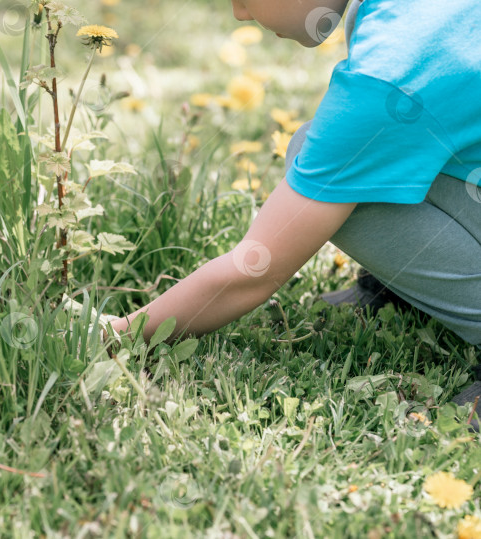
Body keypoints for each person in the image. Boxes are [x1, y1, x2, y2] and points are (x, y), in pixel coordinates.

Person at [104, 0, 481, 411]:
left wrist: (117, 333)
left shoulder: (390, 70)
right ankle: (409, 290)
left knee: (323, 166)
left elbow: (254, 270)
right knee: (341, 163)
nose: (239, 14)